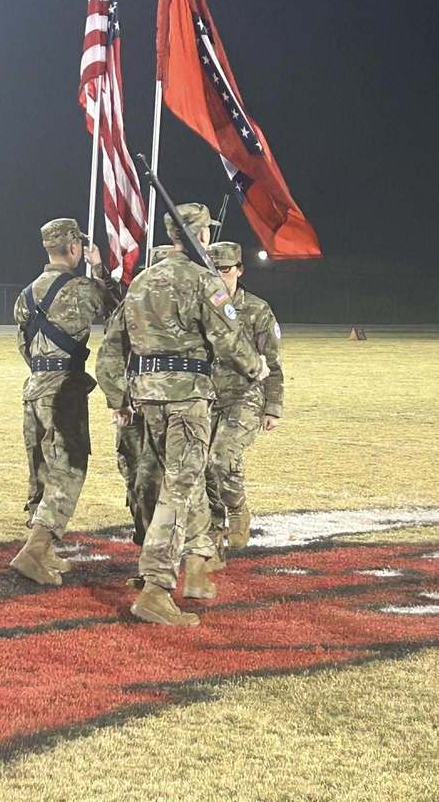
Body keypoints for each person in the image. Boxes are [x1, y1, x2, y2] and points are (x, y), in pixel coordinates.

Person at [96, 204, 268, 627]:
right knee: (181, 487)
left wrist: (119, 396)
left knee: (165, 483)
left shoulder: (142, 281)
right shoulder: (203, 280)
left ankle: (190, 565)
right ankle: (156, 587)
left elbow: (109, 352)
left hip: (146, 398)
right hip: (187, 398)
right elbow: (228, 338)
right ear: (202, 236)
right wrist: (255, 366)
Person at [9, 218, 119, 586]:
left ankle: (44, 550)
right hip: (64, 391)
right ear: (73, 248)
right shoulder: (82, 289)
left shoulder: (25, 296)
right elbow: (118, 310)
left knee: (41, 468)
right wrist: (100, 267)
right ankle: (34, 551)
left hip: (34, 386)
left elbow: (23, 346)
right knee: (69, 470)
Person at [205, 241, 283, 562]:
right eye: (215, 271)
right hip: (208, 397)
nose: (221, 277)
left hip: (246, 397)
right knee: (201, 464)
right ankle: (212, 523)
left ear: (239, 270)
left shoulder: (257, 310)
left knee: (221, 456)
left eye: (226, 270)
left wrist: (273, 407)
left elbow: (273, 363)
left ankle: (238, 512)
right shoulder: (202, 308)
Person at [97, 244, 171, 547]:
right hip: (144, 406)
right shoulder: (133, 306)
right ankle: (148, 536)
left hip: (158, 405)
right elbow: (109, 356)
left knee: (150, 475)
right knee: (138, 473)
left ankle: (155, 538)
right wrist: (120, 400)